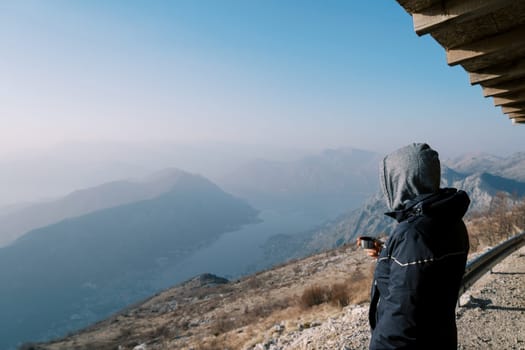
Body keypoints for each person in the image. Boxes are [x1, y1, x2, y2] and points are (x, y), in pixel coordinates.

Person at [363, 143, 470, 350]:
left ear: (402, 181)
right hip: (440, 338)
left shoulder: (411, 235)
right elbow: (426, 275)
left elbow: (401, 320)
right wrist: (387, 254)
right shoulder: (450, 220)